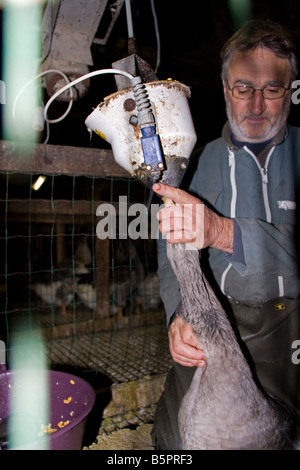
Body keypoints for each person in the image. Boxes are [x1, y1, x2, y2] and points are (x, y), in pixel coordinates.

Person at [151, 19, 300, 450]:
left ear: (290, 89)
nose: (255, 104)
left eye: (271, 89)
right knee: (177, 440)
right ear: (223, 89)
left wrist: (220, 231)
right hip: (217, 324)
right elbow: (169, 252)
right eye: (242, 88)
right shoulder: (194, 163)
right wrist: (180, 312)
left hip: (290, 330)